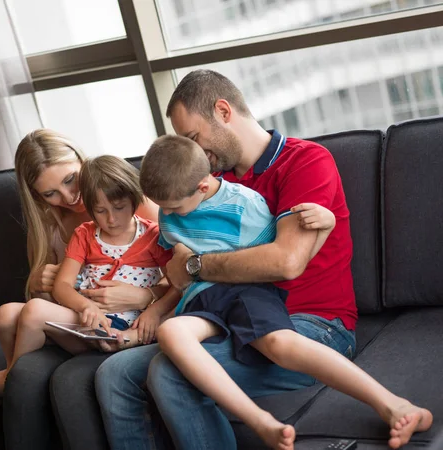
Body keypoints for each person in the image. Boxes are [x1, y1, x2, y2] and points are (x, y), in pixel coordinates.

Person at [95, 70, 432, 450]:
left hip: (311, 324)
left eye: (193, 138)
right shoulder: (206, 183)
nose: (196, 153)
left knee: (170, 374)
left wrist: (194, 265)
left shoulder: (304, 161)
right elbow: (182, 259)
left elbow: (285, 262)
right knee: (113, 375)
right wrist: (160, 305)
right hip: (225, 317)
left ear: (223, 111)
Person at [0, 129, 167, 397]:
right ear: (37, 196)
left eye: (70, 179)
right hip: (78, 315)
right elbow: (55, 293)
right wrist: (40, 284)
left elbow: (182, 270)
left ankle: (11, 382)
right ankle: (12, 372)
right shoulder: (54, 227)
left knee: (34, 312)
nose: (69, 196)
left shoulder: (128, 204)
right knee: (5, 315)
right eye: (51, 192)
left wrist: (146, 297)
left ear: (81, 161)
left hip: (128, 316)